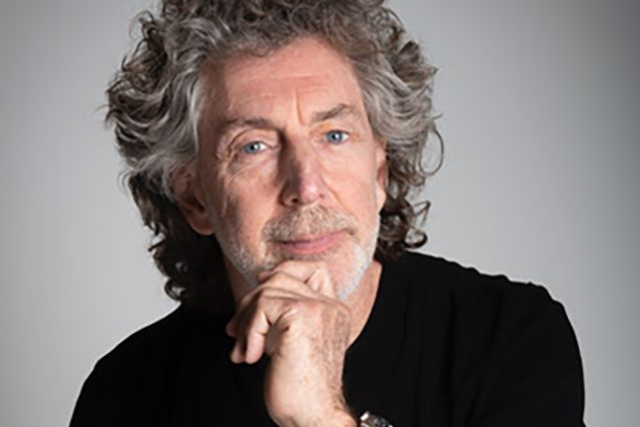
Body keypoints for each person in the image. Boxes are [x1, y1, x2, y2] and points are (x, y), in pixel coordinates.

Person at [70, 0, 586, 426]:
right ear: (194, 198)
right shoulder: (124, 396)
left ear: (379, 171)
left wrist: (320, 416)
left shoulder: (509, 337)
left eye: (334, 136)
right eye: (253, 146)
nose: (307, 187)